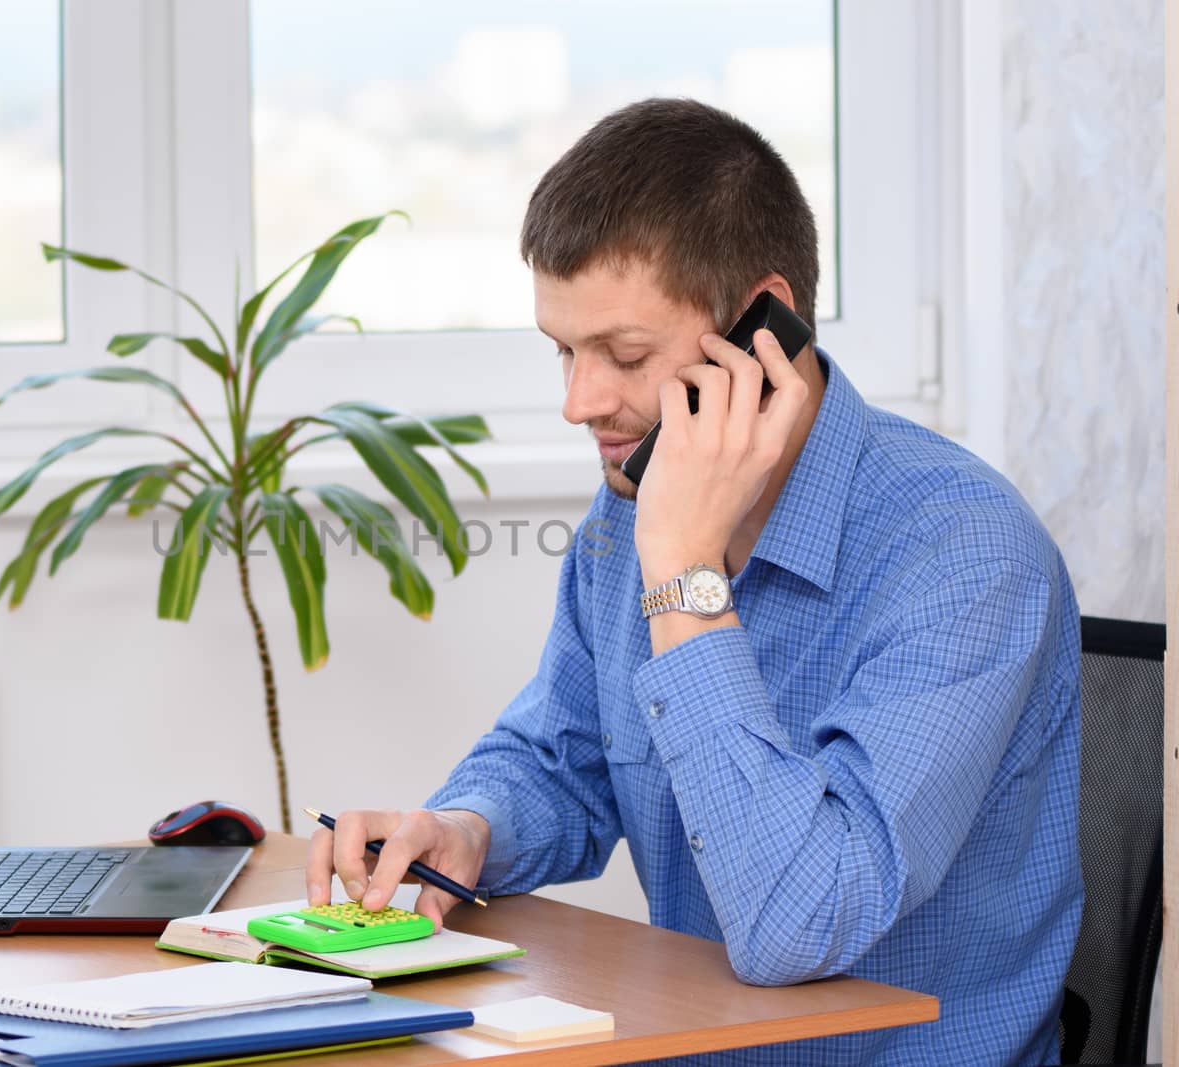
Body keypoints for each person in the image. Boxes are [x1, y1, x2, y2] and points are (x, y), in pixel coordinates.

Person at [305, 98, 1082, 1065]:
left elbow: (801, 921)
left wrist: (683, 573)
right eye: (564, 350)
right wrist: (468, 828)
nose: (578, 402)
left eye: (625, 355)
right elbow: (563, 755)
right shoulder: (630, 514)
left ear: (766, 326)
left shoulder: (963, 553)